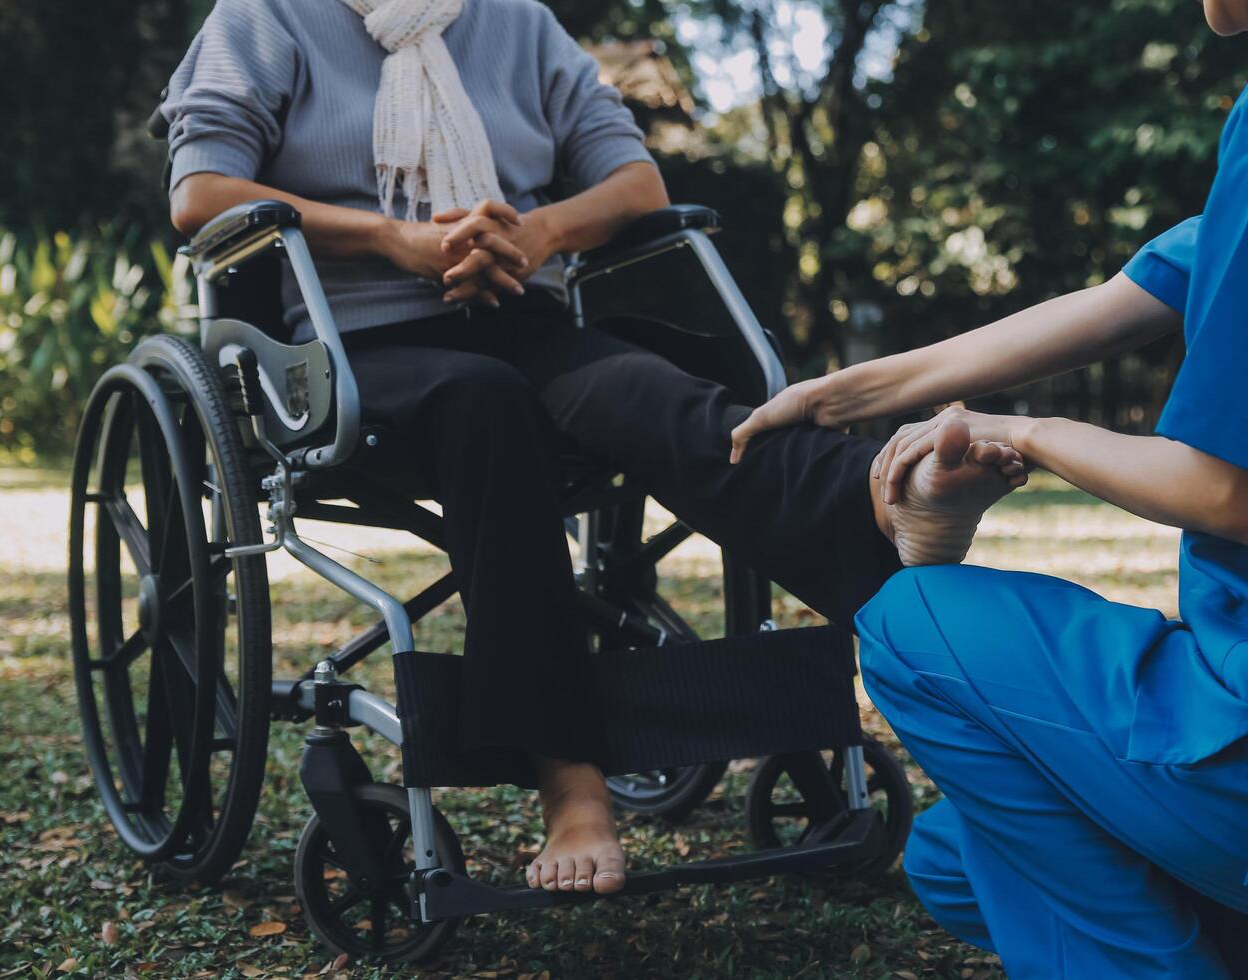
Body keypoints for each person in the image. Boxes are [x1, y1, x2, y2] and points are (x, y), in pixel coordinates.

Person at [161, 0, 1028, 897]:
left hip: (523, 314)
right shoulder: (268, 18)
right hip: (350, 348)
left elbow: (634, 183)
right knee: (486, 405)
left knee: (646, 392)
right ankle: (571, 783)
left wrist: (541, 232)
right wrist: (396, 240)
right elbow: (202, 195)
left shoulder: (515, 22)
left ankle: (882, 497)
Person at [731, 0, 1248, 974]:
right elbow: (1125, 300)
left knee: (912, 622)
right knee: (958, 855)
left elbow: (1238, 491)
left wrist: (1028, 431)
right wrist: (845, 392)